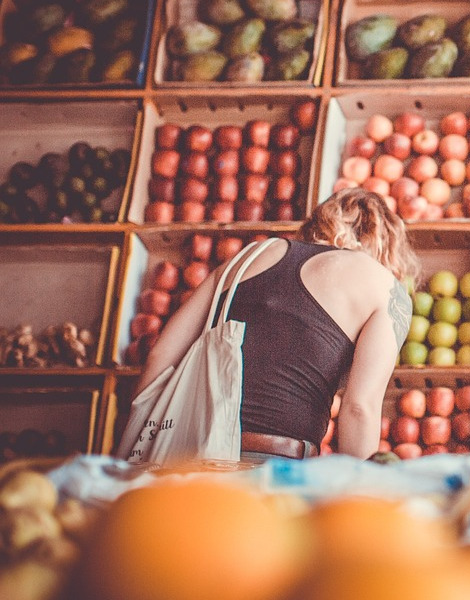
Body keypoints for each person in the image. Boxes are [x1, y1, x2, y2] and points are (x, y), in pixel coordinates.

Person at [129, 188, 418, 460]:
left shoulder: (245, 258)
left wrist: (132, 447)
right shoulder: (385, 287)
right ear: (387, 246)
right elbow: (358, 408)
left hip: (188, 453)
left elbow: (159, 357)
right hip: (275, 464)